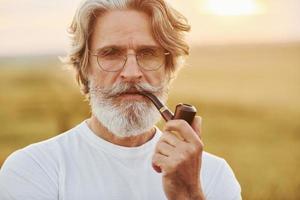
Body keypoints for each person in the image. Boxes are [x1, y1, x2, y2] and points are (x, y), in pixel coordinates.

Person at [0, 0, 241, 199]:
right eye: (111, 53)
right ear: (84, 68)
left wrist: (188, 193)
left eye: (148, 54)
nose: (132, 73)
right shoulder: (34, 169)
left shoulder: (213, 176)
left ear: (169, 68)